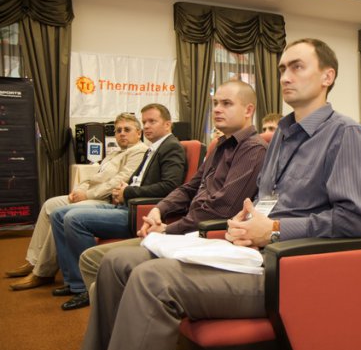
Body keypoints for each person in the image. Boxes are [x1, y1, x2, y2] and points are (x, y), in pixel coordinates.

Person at [73, 38, 361, 350]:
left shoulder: (345, 134)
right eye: (282, 68)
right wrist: (245, 220)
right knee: (117, 263)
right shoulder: (282, 135)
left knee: (152, 279)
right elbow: (266, 201)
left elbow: (357, 221)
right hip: (251, 253)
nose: (285, 76)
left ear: (328, 76)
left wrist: (274, 229)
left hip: (291, 270)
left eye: (297, 67)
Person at [77, 80, 267, 296]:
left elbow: (221, 210)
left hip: (208, 237)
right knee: (93, 261)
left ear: (248, 110)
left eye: (226, 103)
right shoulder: (220, 146)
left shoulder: (252, 149)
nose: (216, 109)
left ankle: (116, 311)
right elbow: (189, 188)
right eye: (215, 103)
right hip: (187, 230)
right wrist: (159, 209)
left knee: (99, 261)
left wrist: (168, 230)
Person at [49, 104, 186, 310]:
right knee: (58, 214)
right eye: (145, 122)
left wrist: (128, 192)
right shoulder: (153, 147)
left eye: (152, 121)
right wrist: (122, 189)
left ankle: (89, 287)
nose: (147, 126)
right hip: (125, 205)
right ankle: (74, 281)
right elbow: (137, 180)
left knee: (73, 219)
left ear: (168, 124)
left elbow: (171, 186)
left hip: (139, 212)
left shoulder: (171, 147)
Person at [6, 113, 148, 291]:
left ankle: (43, 271)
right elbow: (95, 177)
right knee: (50, 204)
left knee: (62, 213)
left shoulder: (139, 151)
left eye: (127, 130)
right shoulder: (115, 152)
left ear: (138, 133)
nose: (122, 133)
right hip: (93, 194)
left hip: (107, 199)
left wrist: (86, 194)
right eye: (118, 130)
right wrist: (78, 189)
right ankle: (34, 261)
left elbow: (118, 181)